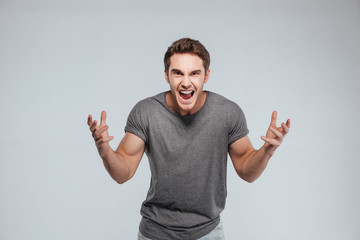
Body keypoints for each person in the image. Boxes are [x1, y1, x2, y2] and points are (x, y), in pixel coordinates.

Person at [87, 38, 290, 240]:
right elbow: (123, 172)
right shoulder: (146, 112)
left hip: (208, 232)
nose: (185, 82)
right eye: (178, 73)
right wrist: (104, 149)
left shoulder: (227, 113)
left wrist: (267, 150)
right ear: (166, 75)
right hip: (154, 233)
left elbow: (247, 171)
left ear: (206, 76)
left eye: (194, 73)